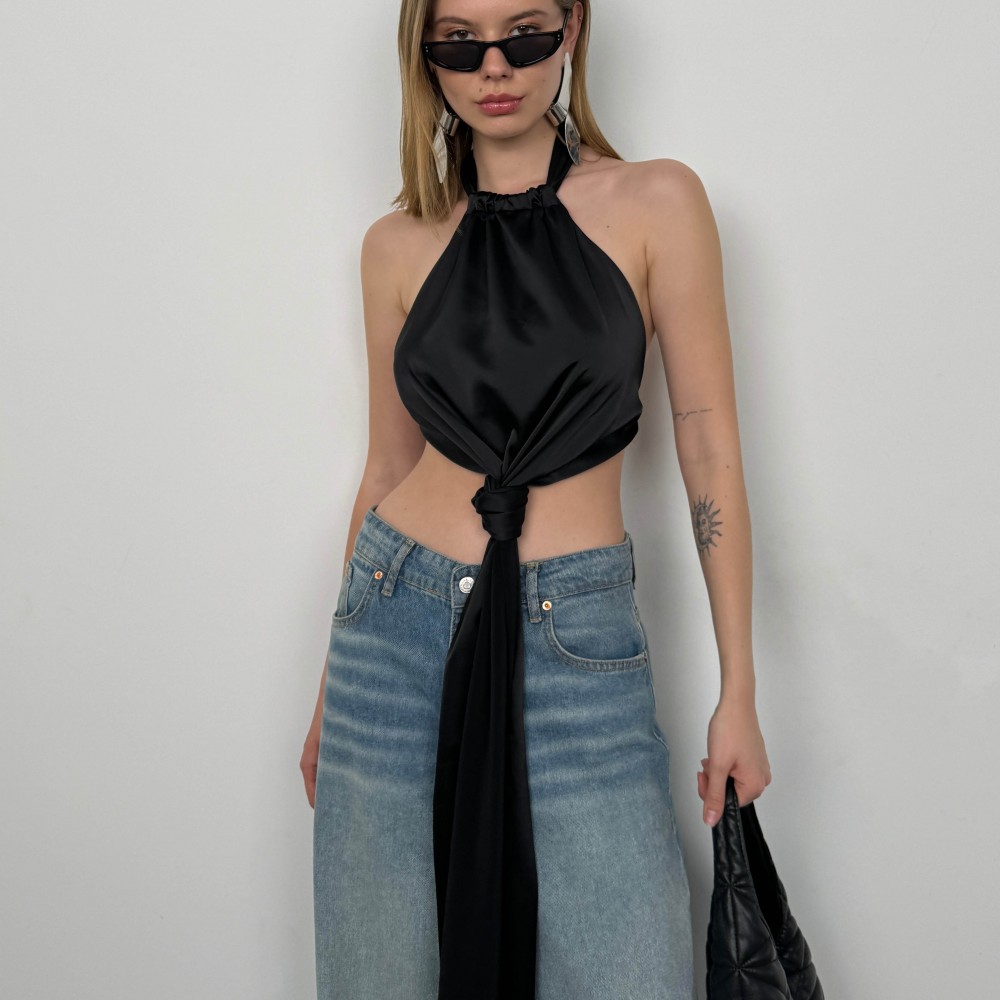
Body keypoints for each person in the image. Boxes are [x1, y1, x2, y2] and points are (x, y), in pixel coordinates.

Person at [301, 1, 771, 997]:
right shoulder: (395, 244)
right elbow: (387, 468)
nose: (494, 66)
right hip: (392, 633)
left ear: (573, 30)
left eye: (524, 33)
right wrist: (329, 694)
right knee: (378, 975)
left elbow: (708, 448)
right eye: (458, 41)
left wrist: (739, 687)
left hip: (576, 633)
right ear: (424, 55)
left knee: (629, 966)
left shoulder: (657, 201)